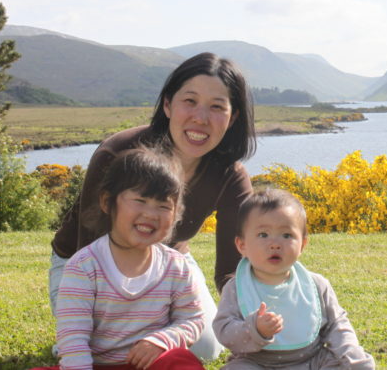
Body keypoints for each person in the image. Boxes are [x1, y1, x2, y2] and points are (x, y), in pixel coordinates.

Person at [49, 53, 256, 361]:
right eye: (190, 101)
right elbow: (89, 249)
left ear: (233, 117)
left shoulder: (230, 176)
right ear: (168, 104)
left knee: (208, 347)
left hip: (167, 265)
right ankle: (78, 342)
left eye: (216, 107)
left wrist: (255, 315)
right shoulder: (118, 152)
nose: (201, 118)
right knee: (106, 346)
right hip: (85, 267)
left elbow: (230, 271)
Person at [32, 147, 206, 370]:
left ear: (176, 215)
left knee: (182, 362)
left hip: (151, 364)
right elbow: (73, 339)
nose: (151, 214)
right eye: (140, 200)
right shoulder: (84, 266)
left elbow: (192, 319)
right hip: (95, 365)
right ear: (107, 202)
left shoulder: (176, 266)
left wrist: (162, 341)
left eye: (164, 206)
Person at [213, 189, 375, 369]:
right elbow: (224, 331)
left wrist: (354, 357)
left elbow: (338, 326)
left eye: (287, 235)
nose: (275, 244)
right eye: (263, 235)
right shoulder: (237, 287)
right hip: (256, 361)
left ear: (303, 244)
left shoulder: (316, 285)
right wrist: (255, 329)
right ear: (242, 245)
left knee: (338, 365)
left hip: (311, 360)